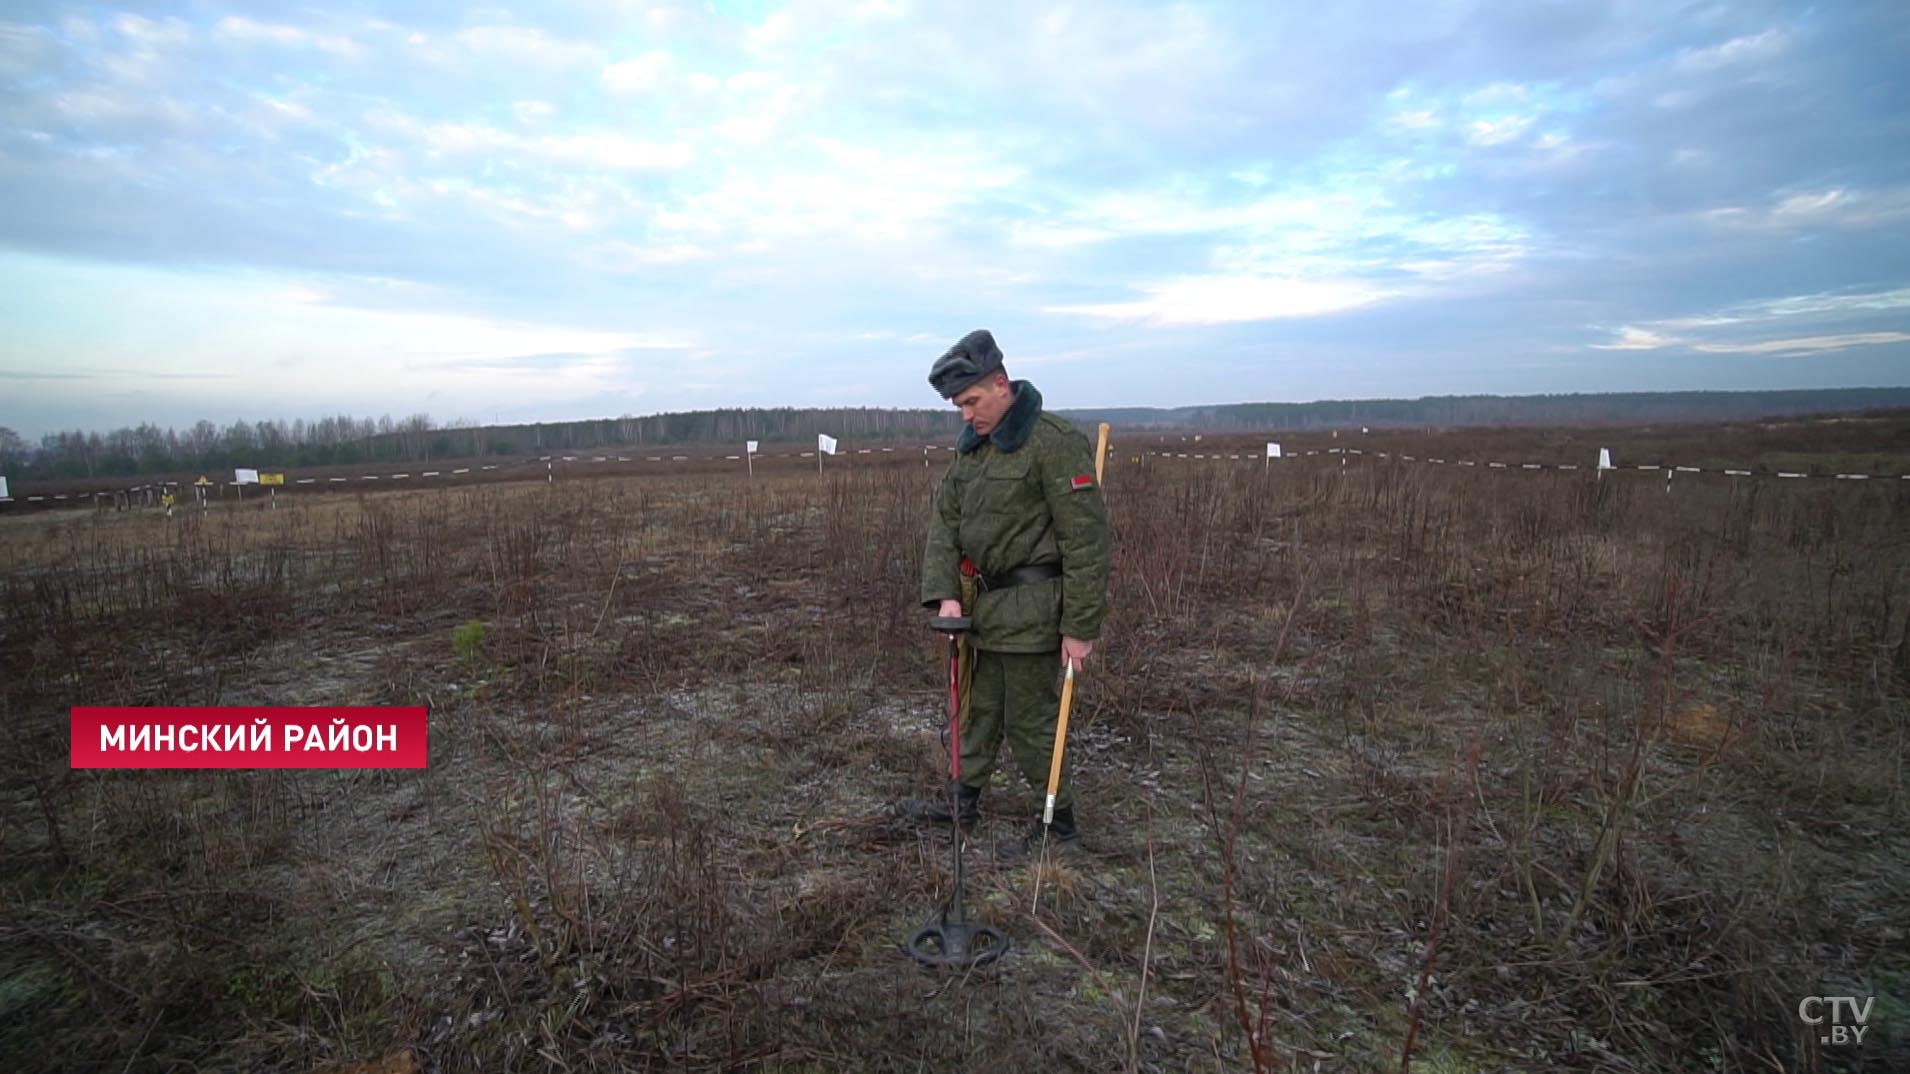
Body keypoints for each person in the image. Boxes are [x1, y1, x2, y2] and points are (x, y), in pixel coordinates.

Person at [898, 329, 1110, 855]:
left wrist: (1080, 628)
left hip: (1037, 615)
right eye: (958, 406)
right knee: (978, 713)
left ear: (1000, 383)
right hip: (981, 613)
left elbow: (1086, 543)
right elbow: (944, 524)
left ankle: (1057, 826)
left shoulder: (1053, 443)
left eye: (971, 401)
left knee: (1032, 722)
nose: (966, 416)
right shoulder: (971, 453)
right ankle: (960, 806)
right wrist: (946, 594)